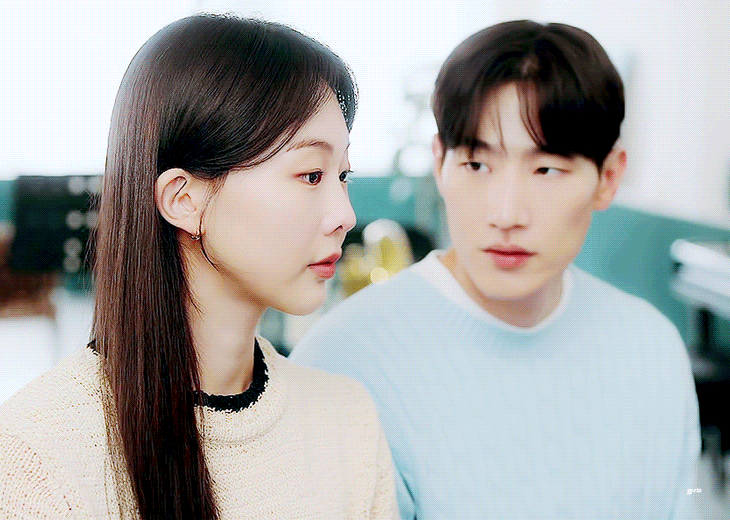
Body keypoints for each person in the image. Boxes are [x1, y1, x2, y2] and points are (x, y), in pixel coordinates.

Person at [291, 20, 700, 519]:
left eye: (546, 169)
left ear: (608, 178)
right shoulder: (342, 363)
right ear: (440, 163)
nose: (506, 214)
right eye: (477, 165)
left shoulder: (651, 351)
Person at [0, 14, 397, 519]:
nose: (345, 215)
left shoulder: (348, 421)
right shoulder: (38, 454)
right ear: (183, 200)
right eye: (312, 175)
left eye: (343, 175)